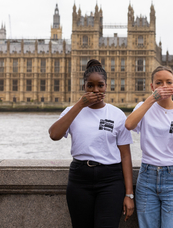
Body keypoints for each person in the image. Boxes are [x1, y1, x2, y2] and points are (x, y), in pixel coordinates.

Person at [48, 59, 134, 228]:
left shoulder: (116, 114)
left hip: (111, 179)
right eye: (90, 86)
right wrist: (80, 104)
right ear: (84, 86)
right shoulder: (72, 111)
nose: (96, 90)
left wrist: (129, 194)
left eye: (100, 85)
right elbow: (54, 135)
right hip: (80, 178)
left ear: (106, 86)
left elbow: (125, 155)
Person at [125, 66, 173, 228]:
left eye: (168, 82)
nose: (164, 86)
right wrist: (152, 99)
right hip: (147, 176)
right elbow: (129, 124)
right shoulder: (143, 107)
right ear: (152, 87)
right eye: (159, 83)